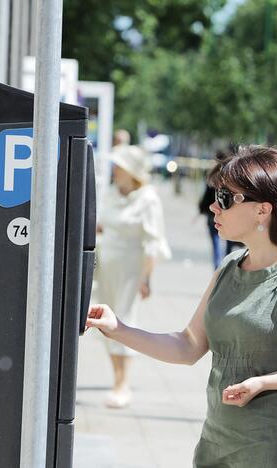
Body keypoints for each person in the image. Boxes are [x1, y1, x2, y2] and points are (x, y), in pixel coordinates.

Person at [86, 145, 277, 466]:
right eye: (216, 195)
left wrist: (265, 382)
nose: (213, 206)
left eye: (226, 198)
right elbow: (187, 346)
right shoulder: (230, 267)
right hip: (217, 441)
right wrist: (119, 329)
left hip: (274, 449)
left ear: (263, 210)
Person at [93, 144, 172, 408]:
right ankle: (117, 379)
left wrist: (146, 278)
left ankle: (121, 384)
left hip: (130, 267)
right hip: (106, 265)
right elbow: (101, 225)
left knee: (123, 320)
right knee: (103, 320)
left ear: (131, 171)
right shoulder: (111, 194)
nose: (115, 171)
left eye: (119, 167)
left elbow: (154, 242)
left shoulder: (148, 199)